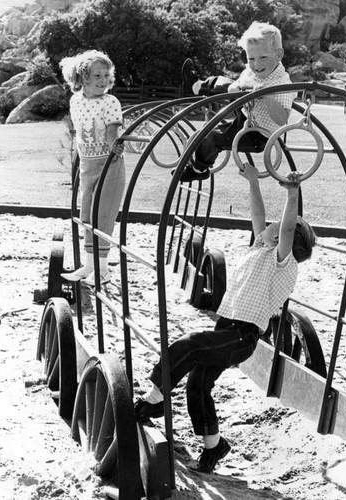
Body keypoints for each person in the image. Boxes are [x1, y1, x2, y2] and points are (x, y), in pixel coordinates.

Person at [134, 164, 316, 474]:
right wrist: (253, 182)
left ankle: (155, 397)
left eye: (278, 226)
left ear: (286, 238)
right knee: (198, 383)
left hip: (242, 335)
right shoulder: (263, 248)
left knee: (189, 345)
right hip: (227, 326)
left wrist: (293, 193)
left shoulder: (282, 261)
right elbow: (257, 216)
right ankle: (214, 445)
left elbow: (286, 228)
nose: (270, 225)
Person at [180, 21, 296, 183]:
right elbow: (234, 88)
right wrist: (240, 90)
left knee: (211, 137)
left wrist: (267, 96)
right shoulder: (251, 71)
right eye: (251, 59)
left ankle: (199, 169)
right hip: (245, 116)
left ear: (279, 55)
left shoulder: (282, 84)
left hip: (258, 135)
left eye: (263, 57)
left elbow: (282, 119)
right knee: (224, 83)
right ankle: (197, 86)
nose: (257, 64)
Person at [59, 50, 125, 286]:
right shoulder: (76, 101)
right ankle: (89, 265)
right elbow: (80, 131)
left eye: (106, 75)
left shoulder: (110, 101)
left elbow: (112, 130)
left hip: (109, 164)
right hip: (87, 163)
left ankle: (103, 270)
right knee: (86, 214)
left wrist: (114, 144)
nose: (103, 80)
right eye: (96, 75)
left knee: (103, 214)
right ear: (82, 78)